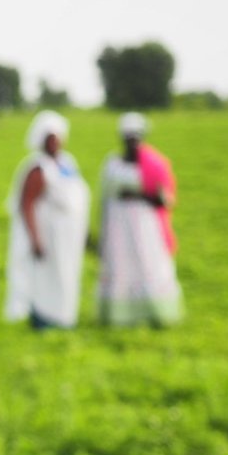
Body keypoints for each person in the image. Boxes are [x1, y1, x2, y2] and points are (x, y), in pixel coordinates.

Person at [4, 110, 91, 329]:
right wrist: (35, 239)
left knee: (66, 276)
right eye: (49, 138)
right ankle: (43, 319)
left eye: (57, 137)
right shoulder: (37, 168)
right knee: (47, 278)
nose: (54, 142)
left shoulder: (66, 163)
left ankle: (63, 318)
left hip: (68, 237)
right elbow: (27, 204)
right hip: (49, 235)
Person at [96, 112, 184, 326]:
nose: (132, 143)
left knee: (148, 264)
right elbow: (104, 198)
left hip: (145, 226)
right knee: (121, 266)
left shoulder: (153, 164)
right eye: (128, 138)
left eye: (135, 138)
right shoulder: (112, 164)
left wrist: (140, 195)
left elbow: (166, 199)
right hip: (118, 226)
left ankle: (155, 312)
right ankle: (118, 316)